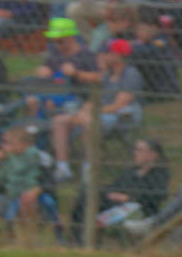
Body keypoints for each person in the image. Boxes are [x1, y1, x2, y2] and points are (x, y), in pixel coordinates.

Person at [49, 36, 140, 181]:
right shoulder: (108, 75)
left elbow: (119, 105)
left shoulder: (130, 74)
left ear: (117, 56)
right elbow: (95, 99)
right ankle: (63, 167)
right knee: (60, 120)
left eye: (106, 53)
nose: (102, 56)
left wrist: (91, 113)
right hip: (100, 114)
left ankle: (89, 168)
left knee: (87, 121)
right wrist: (83, 110)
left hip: (122, 117)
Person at [70, 134, 168, 237]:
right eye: (135, 150)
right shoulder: (131, 171)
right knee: (87, 195)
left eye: (140, 150)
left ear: (153, 155)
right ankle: (77, 237)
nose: (135, 153)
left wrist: (129, 197)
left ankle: (87, 237)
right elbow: (114, 186)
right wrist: (111, 194)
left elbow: (156, 197)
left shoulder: (159, 175)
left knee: (104, 204)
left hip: (138, 210)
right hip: (115, 204)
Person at [0, 124, 53, 240]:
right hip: (10, 196)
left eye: (8, 143)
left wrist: (35, 191)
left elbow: (42, 180)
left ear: (24, 144)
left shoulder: (34, 155)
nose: (3, 146)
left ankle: (28, 237)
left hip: (29, 196)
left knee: (26, 199)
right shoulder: (11, 158)